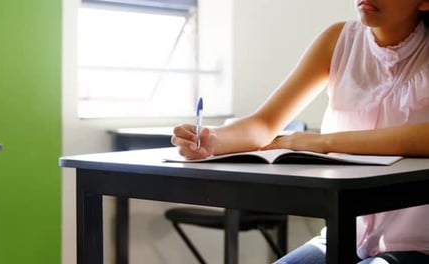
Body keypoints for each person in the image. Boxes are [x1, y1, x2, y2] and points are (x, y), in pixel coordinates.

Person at [170, 0, 429, 263]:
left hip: (419, 243)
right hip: (342, 236)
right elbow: (265, 123)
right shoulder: (338, 39)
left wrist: (323, 142)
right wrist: (212, 139)